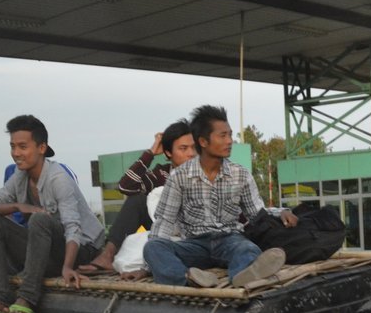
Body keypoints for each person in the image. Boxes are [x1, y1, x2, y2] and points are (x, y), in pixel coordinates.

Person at [0, 114, 105, 313]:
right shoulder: (19, 176)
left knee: (40, 219)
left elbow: (73, 228)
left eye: (23, 147)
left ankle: (28, 297)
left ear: (41, 148)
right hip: (45, 251)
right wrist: (17, 206)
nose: (16, 153)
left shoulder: (58, 179)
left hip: (80, 251)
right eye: (13, 147)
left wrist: (68, 267)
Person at [143, 104, 295, 289]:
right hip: (194, 245)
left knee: (248, 249)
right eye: (222, 136)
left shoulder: (240, 174)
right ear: (203, 141)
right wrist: (149, 265)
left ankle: (241, 276)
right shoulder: (179, 177)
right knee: (153, 247)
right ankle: (187, 280)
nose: (230, 141)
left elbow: (257, 213)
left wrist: (281, 213)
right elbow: (164, 222)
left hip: (230, 241)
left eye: (230, 135)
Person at [78, 120, 196, 275]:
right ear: (168, 153)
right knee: (137, 200)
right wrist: (150, 153)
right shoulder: (161, 174)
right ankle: (107, 255)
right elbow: (126, 186)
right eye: (183, 148)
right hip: (162, 227)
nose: (191, 153)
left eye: (194, 148)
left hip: (193, 231)